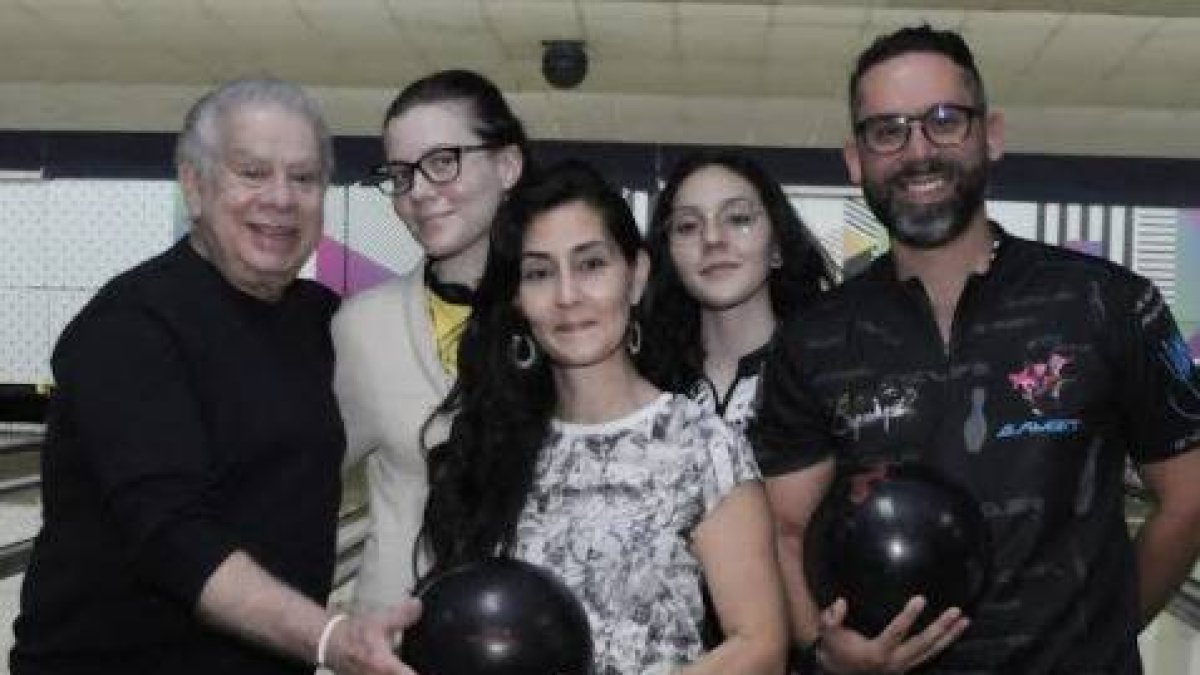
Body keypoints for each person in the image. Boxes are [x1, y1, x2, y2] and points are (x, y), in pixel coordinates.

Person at [751, 24, 1200, 674]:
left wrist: (1100, 635)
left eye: (943, 120)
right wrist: (826, 652)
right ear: (856, 160)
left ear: (990, 134)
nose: (918, 151)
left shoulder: (1107, 303)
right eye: (888, 131)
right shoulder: (813, 339)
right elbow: (788, 531)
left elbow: (1187, 497)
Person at [11, 78, 420, 675]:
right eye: (252, 173)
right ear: (195, 185)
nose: (281, 198)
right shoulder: (128, 328)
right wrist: (334, 638)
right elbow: (174, 536)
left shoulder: (318, 321)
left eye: (304, 179)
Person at [418, 161, 789, 674]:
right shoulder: (489, 446)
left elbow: (760, 647)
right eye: (540, 273)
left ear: (635, 277)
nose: (568, 296)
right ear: (518, 300)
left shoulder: (702, 445)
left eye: (591, 264)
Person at [332, 69, 529, 612]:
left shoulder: (567, 319)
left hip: (542, 638)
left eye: (443, 162)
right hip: (392, 646)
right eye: (400, 174)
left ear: (507, 166)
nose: (418, 192)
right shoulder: (362, 327)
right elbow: (299, 482)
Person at [642, 151, 835, 432]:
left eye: (738, 218)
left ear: (777, 246)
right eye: (687, 226)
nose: (712, 239)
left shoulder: (831, 373)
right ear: (669, 253)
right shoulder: (643, 383)